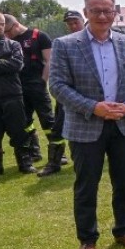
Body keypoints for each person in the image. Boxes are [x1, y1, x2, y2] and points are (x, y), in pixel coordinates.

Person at [49, 0, 125, 249]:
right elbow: (57, 85)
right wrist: (94, 107)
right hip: (85, 126)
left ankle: (124, 231)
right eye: (96, 11)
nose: (103, 16)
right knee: (86, 185)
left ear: (115, 13)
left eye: (108, 11)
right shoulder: (65, 44)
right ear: (85, 13)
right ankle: (87, 239)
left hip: (123, 125)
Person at [3, 13, 53, 165]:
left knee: (48, 120)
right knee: (24, 121)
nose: (6, 35)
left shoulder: (39, 36)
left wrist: (42, 82)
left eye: (8, 31)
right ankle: (34, 151)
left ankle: (57, 154)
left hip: (37, 85)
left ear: (16, 24)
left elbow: (49, 61)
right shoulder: (8, 42)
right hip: (18, 88)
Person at [39, 10, 85, 177]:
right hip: (67, 95)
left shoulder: (94, 39)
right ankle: (54, 162)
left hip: (90, 95)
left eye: (75, 22)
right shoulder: (63, 43)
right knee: (58, 128)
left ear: (83, 20)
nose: (73, 26)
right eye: (69, 23)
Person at [0, 12, 35, 175]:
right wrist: (5, 64)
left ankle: (25, 162)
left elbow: (17, 65)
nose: (0, 27)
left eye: (2, 24)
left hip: (13, 94)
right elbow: (10, 65)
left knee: (19, 131)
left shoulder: (13, 45)